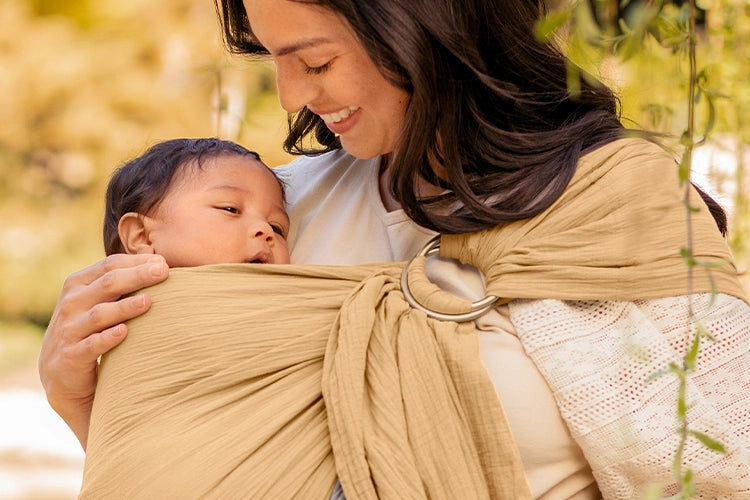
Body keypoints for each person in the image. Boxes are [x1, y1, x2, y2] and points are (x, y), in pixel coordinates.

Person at [39, 0, 750, 498]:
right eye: (274, 63)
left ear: (427, 32)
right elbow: (208, 466)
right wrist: (82, 401)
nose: (290, 97)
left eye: (314, 61)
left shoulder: (621, 202)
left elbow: (721, 452)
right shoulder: (269, 219)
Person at [102, 137, 290, 267]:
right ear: (142, 237)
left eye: (277, 228)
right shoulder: (110, 317)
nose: (265, 230)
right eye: (230, 209)